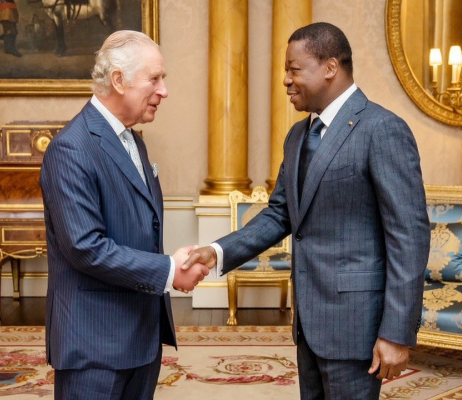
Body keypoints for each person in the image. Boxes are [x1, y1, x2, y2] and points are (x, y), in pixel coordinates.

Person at [185, 22, 430, 399]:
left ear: (330, 67)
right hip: (309, 325)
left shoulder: (382, 130)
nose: (285, 80)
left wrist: (396, 332)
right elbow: (280, 214)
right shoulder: (298, 135)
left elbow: (409, 237)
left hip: (356, 326)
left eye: (294, 69)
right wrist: (215, 252)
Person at [40, 30, 209, 400]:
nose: (164, 91)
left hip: (139, 338)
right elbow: (86, 247)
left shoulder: (134, 140)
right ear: (118, 80)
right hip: (95, 346)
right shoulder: (71, 148)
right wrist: (170, 270)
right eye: (155, 78)